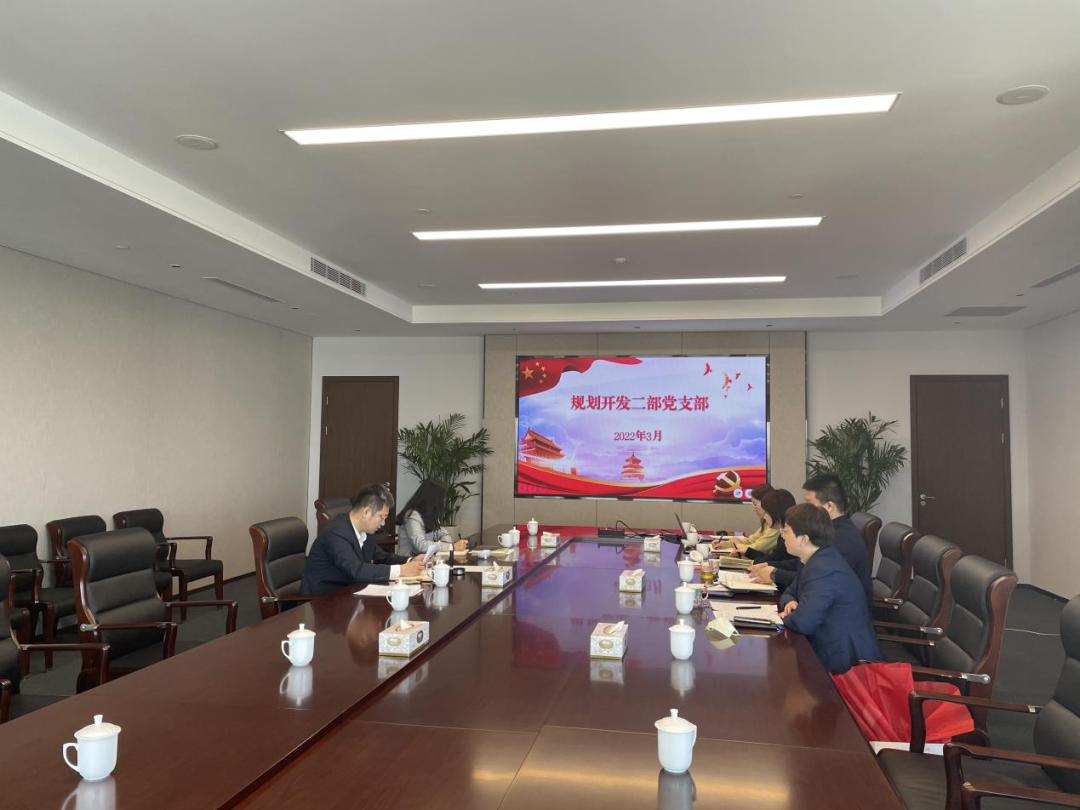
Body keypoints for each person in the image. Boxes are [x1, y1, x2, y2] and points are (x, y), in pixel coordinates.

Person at [777, 503, 882, 674]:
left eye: (786, 531)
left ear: (804, 539)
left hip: (847, 665)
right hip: (826, 648)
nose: (783, 536)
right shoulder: (815, 558)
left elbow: (804, 623)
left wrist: (785, 617)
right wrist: (790, 602)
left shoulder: (823, 568)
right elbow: (790, 591)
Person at [749, 473, 874, 608]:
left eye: (810, 504)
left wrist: (775, 574)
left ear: (829, 506)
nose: (806, 508)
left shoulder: (842, 539)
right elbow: (801, 564)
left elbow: (814, 579)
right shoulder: (827, 529)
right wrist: (770, 565)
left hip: (837, 612)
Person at [301, 483, 424, 595]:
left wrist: (411, 561)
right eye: (382, 517)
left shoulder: (365, 531)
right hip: (323, 601)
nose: (383, 523)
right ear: (366, 512)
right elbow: (356, 570)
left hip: (349, 595)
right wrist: (401, 570)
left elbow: (380, 556)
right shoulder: (336, 533)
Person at [395, 478, 469, 558]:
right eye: (442, 498)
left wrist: (447, 545)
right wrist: (451, 547)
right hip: (410, 561)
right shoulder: (412, 516)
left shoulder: (430, 514)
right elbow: (421, 545)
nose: (443, 501)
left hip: (428, 560)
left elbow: (444, 533)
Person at [711, 483, 776, 554]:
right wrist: (726, 544)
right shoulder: (767, 522)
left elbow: (756, 548)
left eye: (755, 504)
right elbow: (751, 540)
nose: (754, 508)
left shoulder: (776, 525)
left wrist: (735, 544)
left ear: (766, 503)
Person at [741, 488, 798, 563]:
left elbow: (777, 562)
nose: (764, 517)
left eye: (766, 512)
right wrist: (748, 552)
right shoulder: (783, 533)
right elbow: (774, 558)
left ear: (776, 512)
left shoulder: (789, 536)